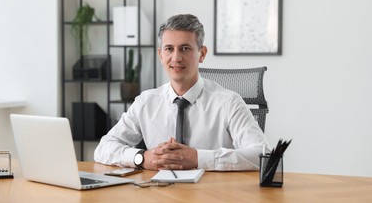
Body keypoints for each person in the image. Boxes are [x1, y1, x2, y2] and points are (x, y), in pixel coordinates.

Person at [94, 14, 269, 171]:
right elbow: (104, 148)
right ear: (160, 55)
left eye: (185, 48)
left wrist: (198, 158)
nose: (176, 57)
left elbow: (263, 155)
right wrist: (141, 158)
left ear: (202, 54)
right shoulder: (146, 102)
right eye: (169, 49)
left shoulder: (228, 102)